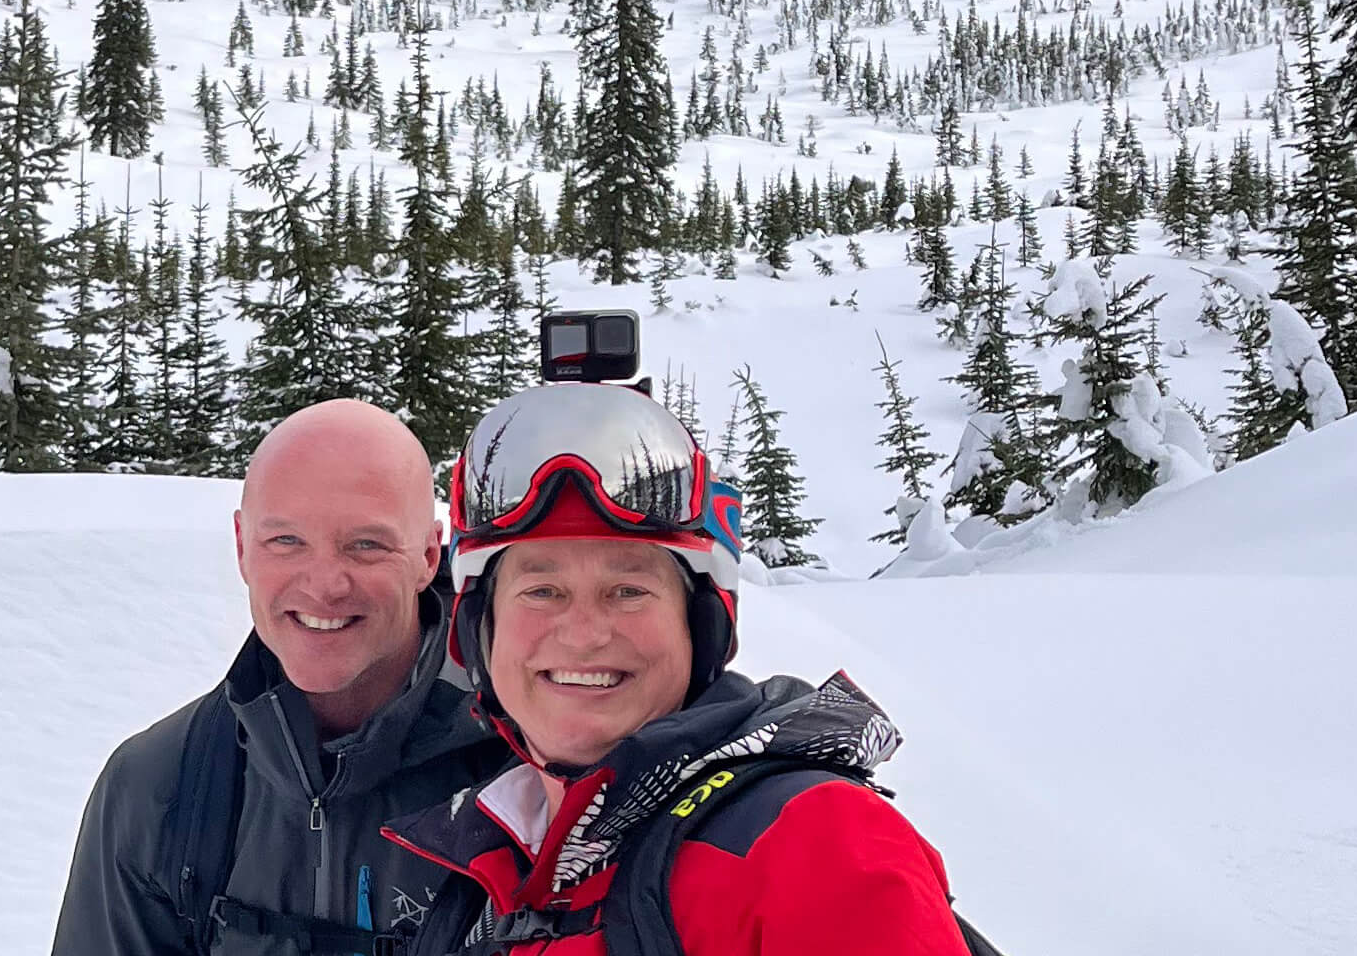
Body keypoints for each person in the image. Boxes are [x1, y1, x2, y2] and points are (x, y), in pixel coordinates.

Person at [379, 381, 974, 956]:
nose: (584, 633)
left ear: (701, 625)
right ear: (481, 631)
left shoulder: (812, 841)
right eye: (542, 590)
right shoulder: (490, 864)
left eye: (628, 590)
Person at [51, 400, 516, 955]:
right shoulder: (163, 788)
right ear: (243, 545)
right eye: (286, 541)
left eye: (365, 544)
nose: (325, 586)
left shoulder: (527, 770)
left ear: (426, 552)